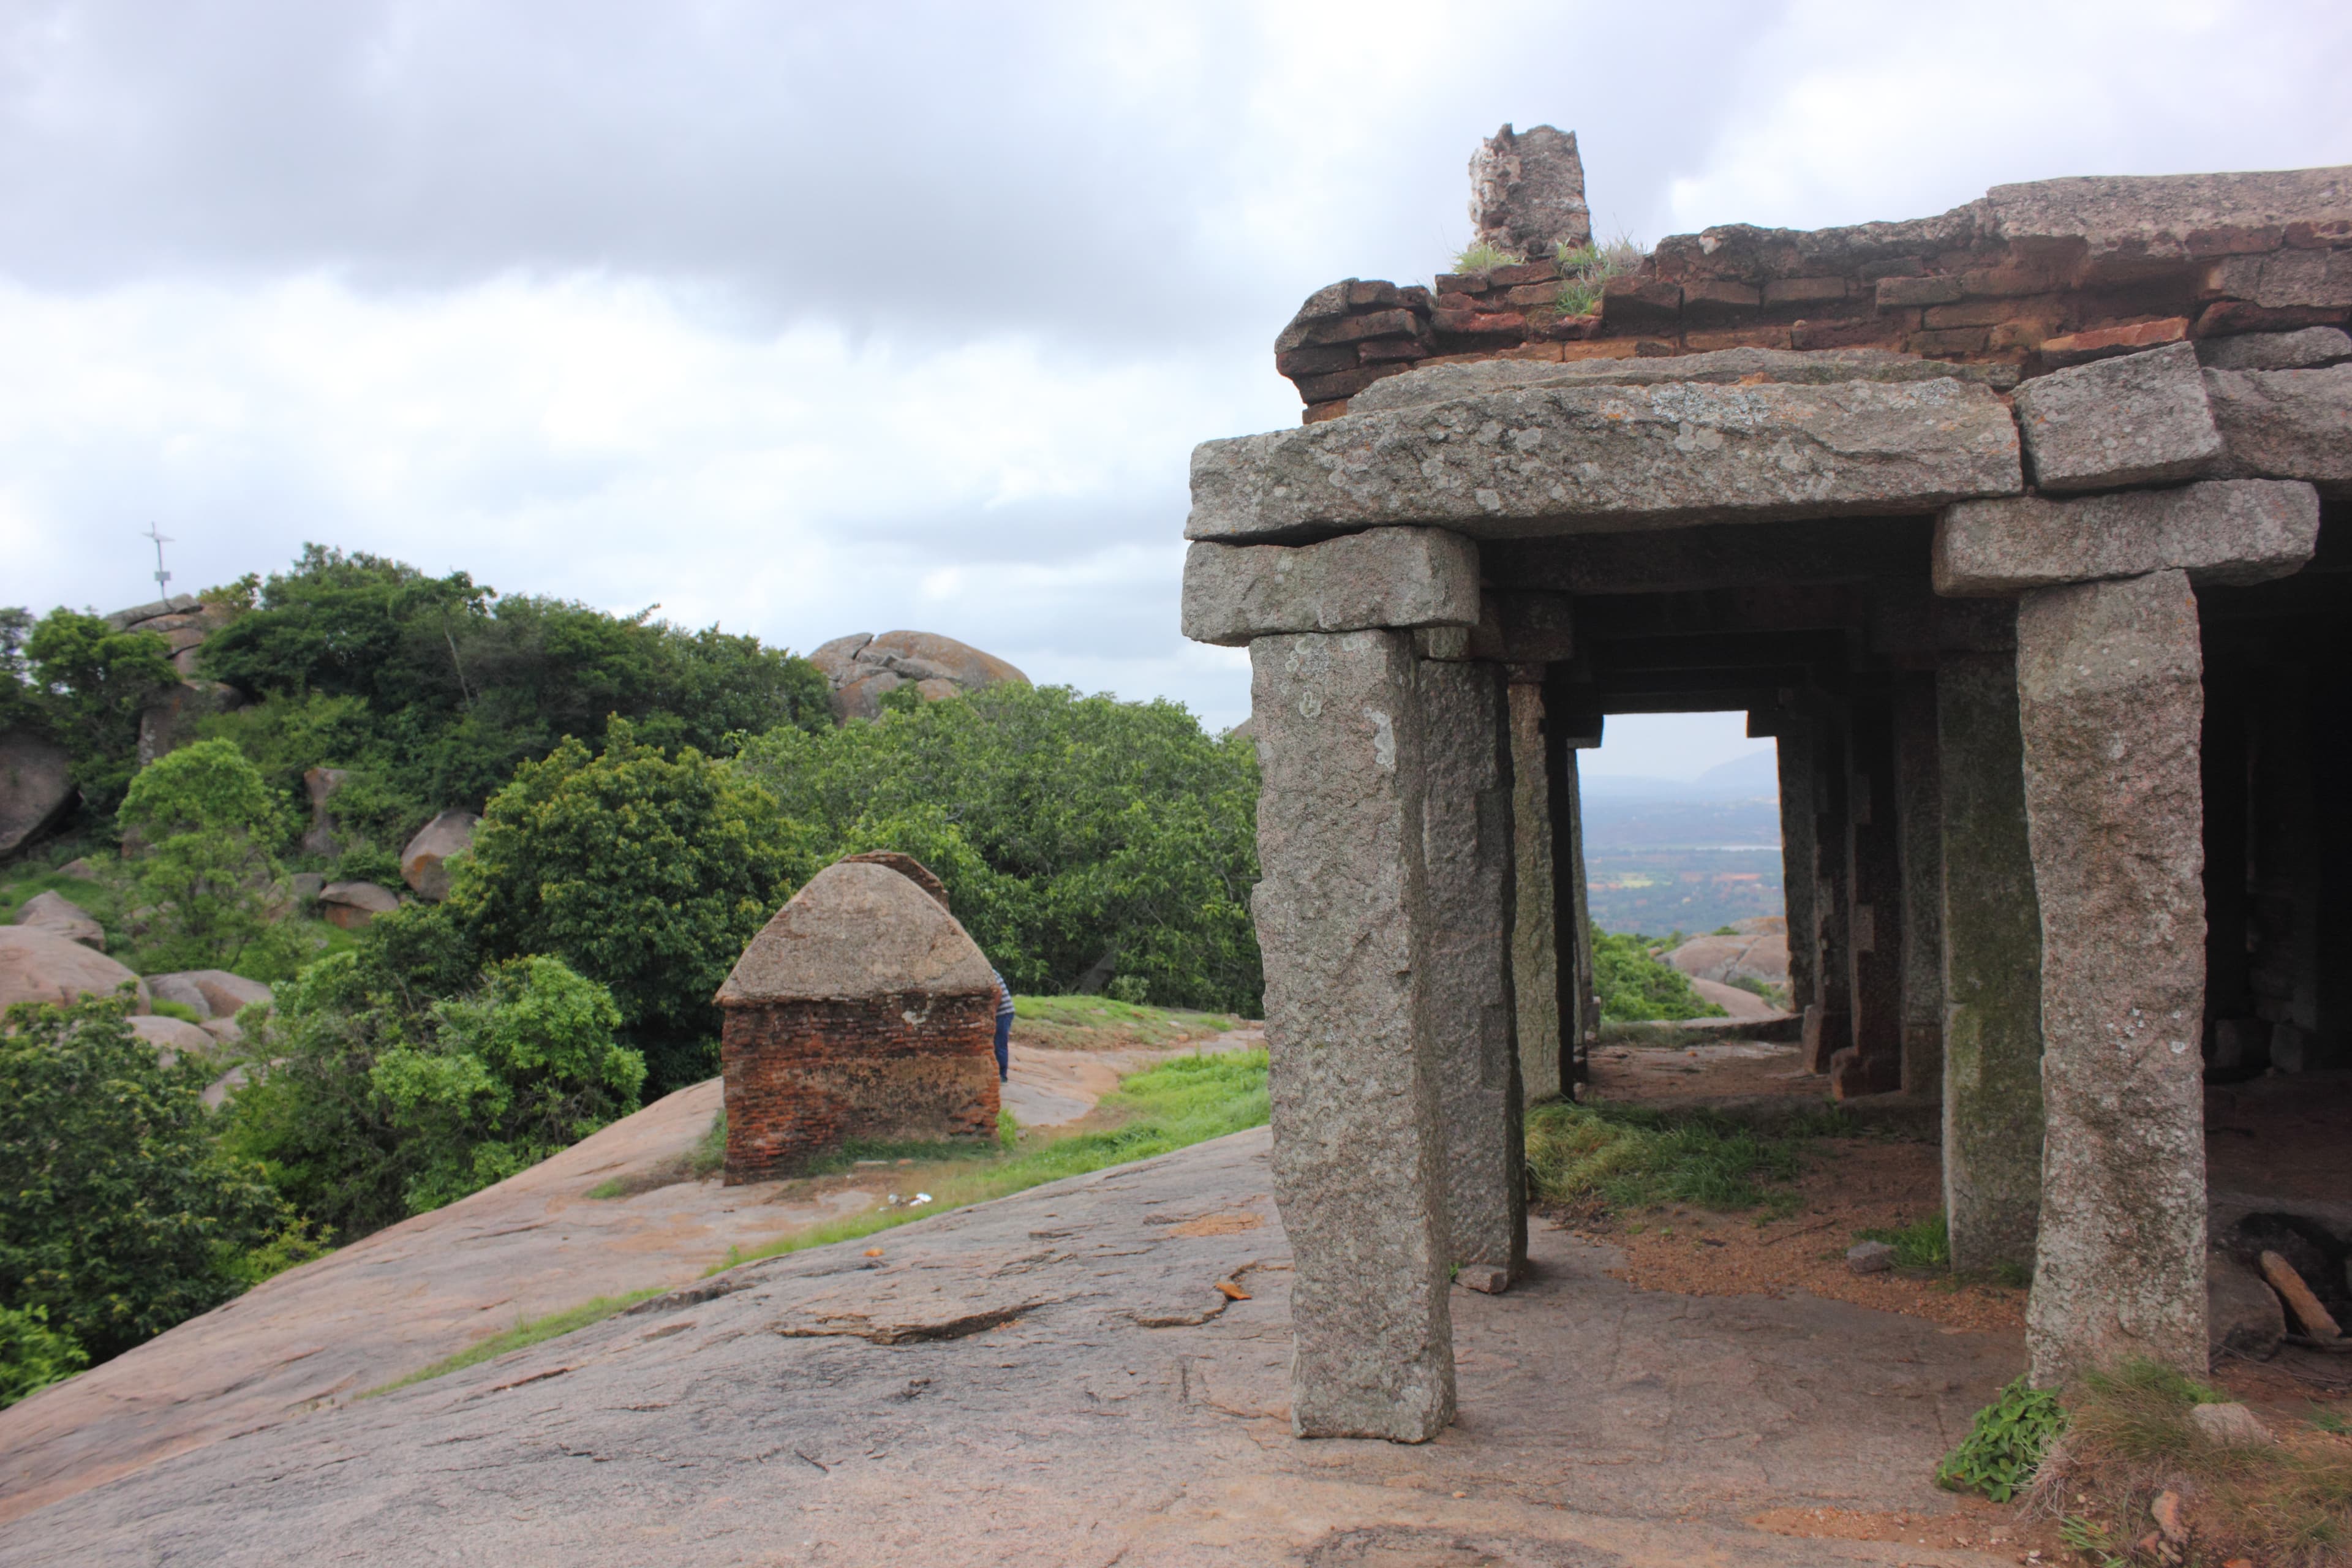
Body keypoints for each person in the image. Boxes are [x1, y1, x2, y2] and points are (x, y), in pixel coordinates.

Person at [991, 968, 1016, 1083]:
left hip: (1003, 1013)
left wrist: (993, 1011)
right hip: (1001, 1013)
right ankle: (996, 1072)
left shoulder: (989, 972)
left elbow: (998, 992)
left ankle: (1002, 1075)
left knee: (1000, 1043)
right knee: (995, 1043)